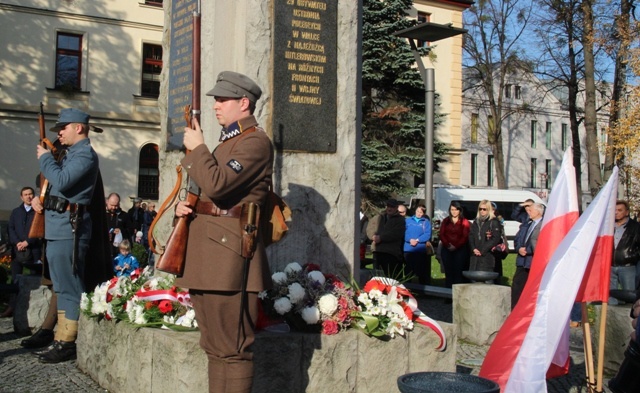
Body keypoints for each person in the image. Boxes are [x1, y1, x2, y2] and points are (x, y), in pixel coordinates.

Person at [174, 71, 273, 393]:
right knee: (215, 347)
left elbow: (219, 185)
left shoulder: (255, 142)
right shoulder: (228, 142)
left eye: (222, 100)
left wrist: (198, 148)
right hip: (209, 255)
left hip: (229, 258)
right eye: (215, 99)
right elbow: (210, 192)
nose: (216, 105)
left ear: (244, 103)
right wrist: (189, 206)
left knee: (233, 350)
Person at [30, 108, 101, 363]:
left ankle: (68, 342)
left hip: (69, 229)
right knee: (61, 286)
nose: (59, 133)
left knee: (70, 287)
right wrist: (42, 202)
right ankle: (61, 337)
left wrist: (46, 159)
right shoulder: (72, 155)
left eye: (63, 127)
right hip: (58, 227)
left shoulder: (85, 155)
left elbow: (62, 180)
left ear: (78, 128)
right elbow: (57, 190)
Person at [3, 187, 43, 318]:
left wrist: (27, 242)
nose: (28, 197)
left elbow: (39, 229)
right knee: (15, 280)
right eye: (25, 195)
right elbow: (11, 228)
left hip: (33, 251)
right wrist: (17, 243)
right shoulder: (16, 212)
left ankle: (33, 309)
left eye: (30, 194)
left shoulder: (38, 212)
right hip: (17, 251)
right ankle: (12, 307)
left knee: (35, 281)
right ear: (21, 197)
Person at [511, 202, 545, 309]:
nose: (528, 212)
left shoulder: (543, 225)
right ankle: (515, 309)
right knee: (517, 286)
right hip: (522, 261)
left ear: (538, 212)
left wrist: (528, 250)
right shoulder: (527, 224)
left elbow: (540, 242)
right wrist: (519, 248)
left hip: (532, 261)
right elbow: (518, 238)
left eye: (531, 210)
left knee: (531, 288)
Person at [610, 200, 640, 304]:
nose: (616, 212)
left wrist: (632, 256)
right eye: (614, 210)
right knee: (610, 298)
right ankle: (611, 319)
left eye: (619, 210)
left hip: (628, 266)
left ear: (626, 212)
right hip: (610, 266)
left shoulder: (636, 227)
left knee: (629, 297)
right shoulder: (608, 226)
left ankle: (629, 319)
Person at [368, 199, 406, 277]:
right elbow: (369, 228)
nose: (389, 208)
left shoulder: (400, 220)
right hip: (377, 251)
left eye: (392, 207)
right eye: (388, 206)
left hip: (390, 253)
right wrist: (372, 236)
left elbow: (396, 233)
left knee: (389, 277)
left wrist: (381, 238)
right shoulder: (378, 217)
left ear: (396, 208)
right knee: (377, 276)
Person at [439, 201, 470, 288]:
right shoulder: (446, 221)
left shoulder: (464, 222)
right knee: (448, 273)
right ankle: (448, 294)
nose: (454, 212)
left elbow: (465, 236)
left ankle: (458, 295)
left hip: (460, 250)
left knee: (458, 272)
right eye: (452, 210)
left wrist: (456, 246)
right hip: (447, 249)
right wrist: (448, 245)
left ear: (460, 210)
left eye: (456, 210)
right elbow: (441, 234)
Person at [468, 200, 502, 273]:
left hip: (487, 256)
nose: (482, 211)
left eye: (484, 209)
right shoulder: (476, 221)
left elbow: (495, 238)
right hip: (474, 256)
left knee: (487, 279)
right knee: (473, 278)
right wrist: (473, 248)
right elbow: (471, 235)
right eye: (480, 209)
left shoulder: (493, 222)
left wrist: (482, 250)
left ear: (489, 210)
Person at [403, 204, 432, 285]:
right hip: (408, 249)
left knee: (421, 271)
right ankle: (408, 288)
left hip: (420, 250)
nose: (419, 213)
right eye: (418, 211)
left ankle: (422, 290)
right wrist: (410, 240)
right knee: (408, 271)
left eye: (421, 212)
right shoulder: (408, 221)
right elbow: (404, 232)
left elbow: (427, 234)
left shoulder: (426, 222)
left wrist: (418, 240)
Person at [105, 192, 130, 260]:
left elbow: (129, 231)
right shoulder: (101, 214)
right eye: (111, 205)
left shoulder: (124, 215)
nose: (113, 207)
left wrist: (121, 231)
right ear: (107, 202)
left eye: (116, 205)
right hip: (103, 248)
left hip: (118, 250)